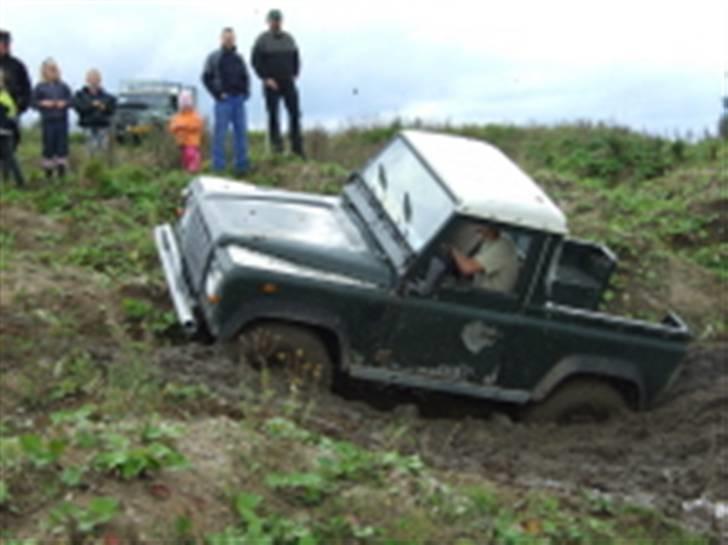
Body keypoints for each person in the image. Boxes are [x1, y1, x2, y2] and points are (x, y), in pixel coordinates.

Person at [252, 9, 304, 157]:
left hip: (288, 81)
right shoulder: (262, 40)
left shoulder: (289, 39)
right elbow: (256, 62)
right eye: (273, 20)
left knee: (295, 113)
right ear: (268, 22)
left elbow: (296, 58)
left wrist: (295, 74)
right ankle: (276, 149)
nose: (276, 22)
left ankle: (297, 148)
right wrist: (266, 78)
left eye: (278, 20)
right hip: (271, 83)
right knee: (273, 115)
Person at [202, 27, 250, 174]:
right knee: (220, 135)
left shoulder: (239, 58)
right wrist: (217, 94)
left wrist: (245, 93)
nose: (229, 40)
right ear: (221, 39)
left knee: (241, 134)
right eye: (226, 38)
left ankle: (242, 167)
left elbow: (245, 77)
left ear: (234, 40)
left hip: (238, 100)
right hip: (223, 100)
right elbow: (206, 78)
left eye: (231, 38)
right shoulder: (214, 57)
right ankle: (218, 167)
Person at [32, 59, 72, 180]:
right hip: (47, 121)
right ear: (44, 72)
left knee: (62, 147)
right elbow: (32, 102)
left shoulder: (63, 86)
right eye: (50, 70)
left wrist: (64, 103)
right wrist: (43, 103)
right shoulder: (40, 87)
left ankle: (62, 175)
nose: (53, 72)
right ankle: (48, 176)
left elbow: (72, 100)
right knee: (48, 146)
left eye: (55, 69)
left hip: (62, 120)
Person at [450, 224, 520, 293]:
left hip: (491, 298)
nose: (476, 226)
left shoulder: (503, 245)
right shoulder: (488, 239)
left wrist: (452, 249)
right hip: (480, 290)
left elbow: (467, 268)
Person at [73, 69, 116, 157]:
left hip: (103, 126)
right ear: (87, 80)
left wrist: (104, 107)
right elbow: (79, 108)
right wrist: (92, 105)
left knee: (103, 151)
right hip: (87, 126)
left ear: (100, 80)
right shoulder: (80, 95)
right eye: (91, 78)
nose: (94, 80)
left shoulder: (108, 97)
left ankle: (102, 168)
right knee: (89, 151)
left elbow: (112, 110)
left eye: (96, 78)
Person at [0, 30, 31, 151]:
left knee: (9, 148)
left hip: (11, 113)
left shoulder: (17, 65)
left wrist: (21, 106)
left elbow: (26, 89)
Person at [168, 90, 204, 173]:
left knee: (191, 157)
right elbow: (172, 127)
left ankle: (193, 171)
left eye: (187, 104)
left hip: (192, 142)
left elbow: (197, 125)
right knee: (185, 160)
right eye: (183, 104)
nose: (185, 106)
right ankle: (186, 173)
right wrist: (178, 127)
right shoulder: (177, 116)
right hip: (181, 143)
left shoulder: (195, 115)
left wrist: (183, 126)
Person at [0, 69, 25, 187]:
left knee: (9, 157)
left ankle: (19, 182)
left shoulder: (5, 96)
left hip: (5, 131)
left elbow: (11, 113)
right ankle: (6, 182)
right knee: (6, 157)